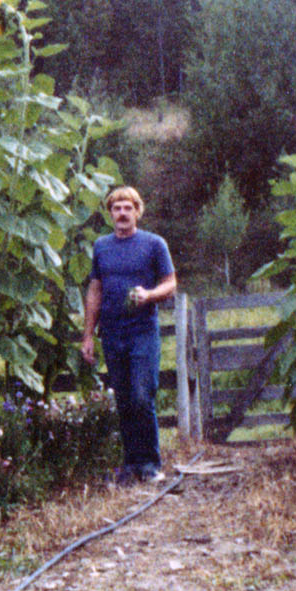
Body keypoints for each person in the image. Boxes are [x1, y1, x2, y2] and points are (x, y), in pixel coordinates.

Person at [82, 186, 176, 485]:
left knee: (141, 394)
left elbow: (170, 283)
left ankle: (150, 464)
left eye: (127, 208)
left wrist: (148, 295)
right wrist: (87, 336)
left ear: (137, 211)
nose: (122, 213)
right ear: (110, 213)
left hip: (143, 331)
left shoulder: (153, 244)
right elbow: (95, 290)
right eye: (116, 208)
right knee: (123, 399)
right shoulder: (102, 247)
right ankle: (129, 465)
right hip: (112, 332)